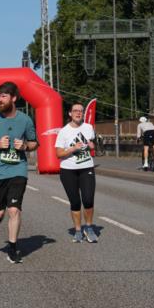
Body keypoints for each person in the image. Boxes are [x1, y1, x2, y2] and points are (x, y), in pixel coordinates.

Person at [0, 82, 39, 264]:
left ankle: (12, 248)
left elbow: (34, 142)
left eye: (4, 96)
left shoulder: (25, 120)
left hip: (17, 170)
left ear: (14, 98)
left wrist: (26, 146)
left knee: (14, 209)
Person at [55, 103, 98, 243]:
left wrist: (92, 145)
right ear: (70, 113)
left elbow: (91, 143)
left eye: (81, 111)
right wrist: (73, 149)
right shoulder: (64, 131)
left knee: (88, 200)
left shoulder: (88, 128)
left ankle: (89, 228)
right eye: (75, 111)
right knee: (75, 202)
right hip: (68, 171)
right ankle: (78, 231)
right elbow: (58, 154)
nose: (78, 113)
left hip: (86, 168)